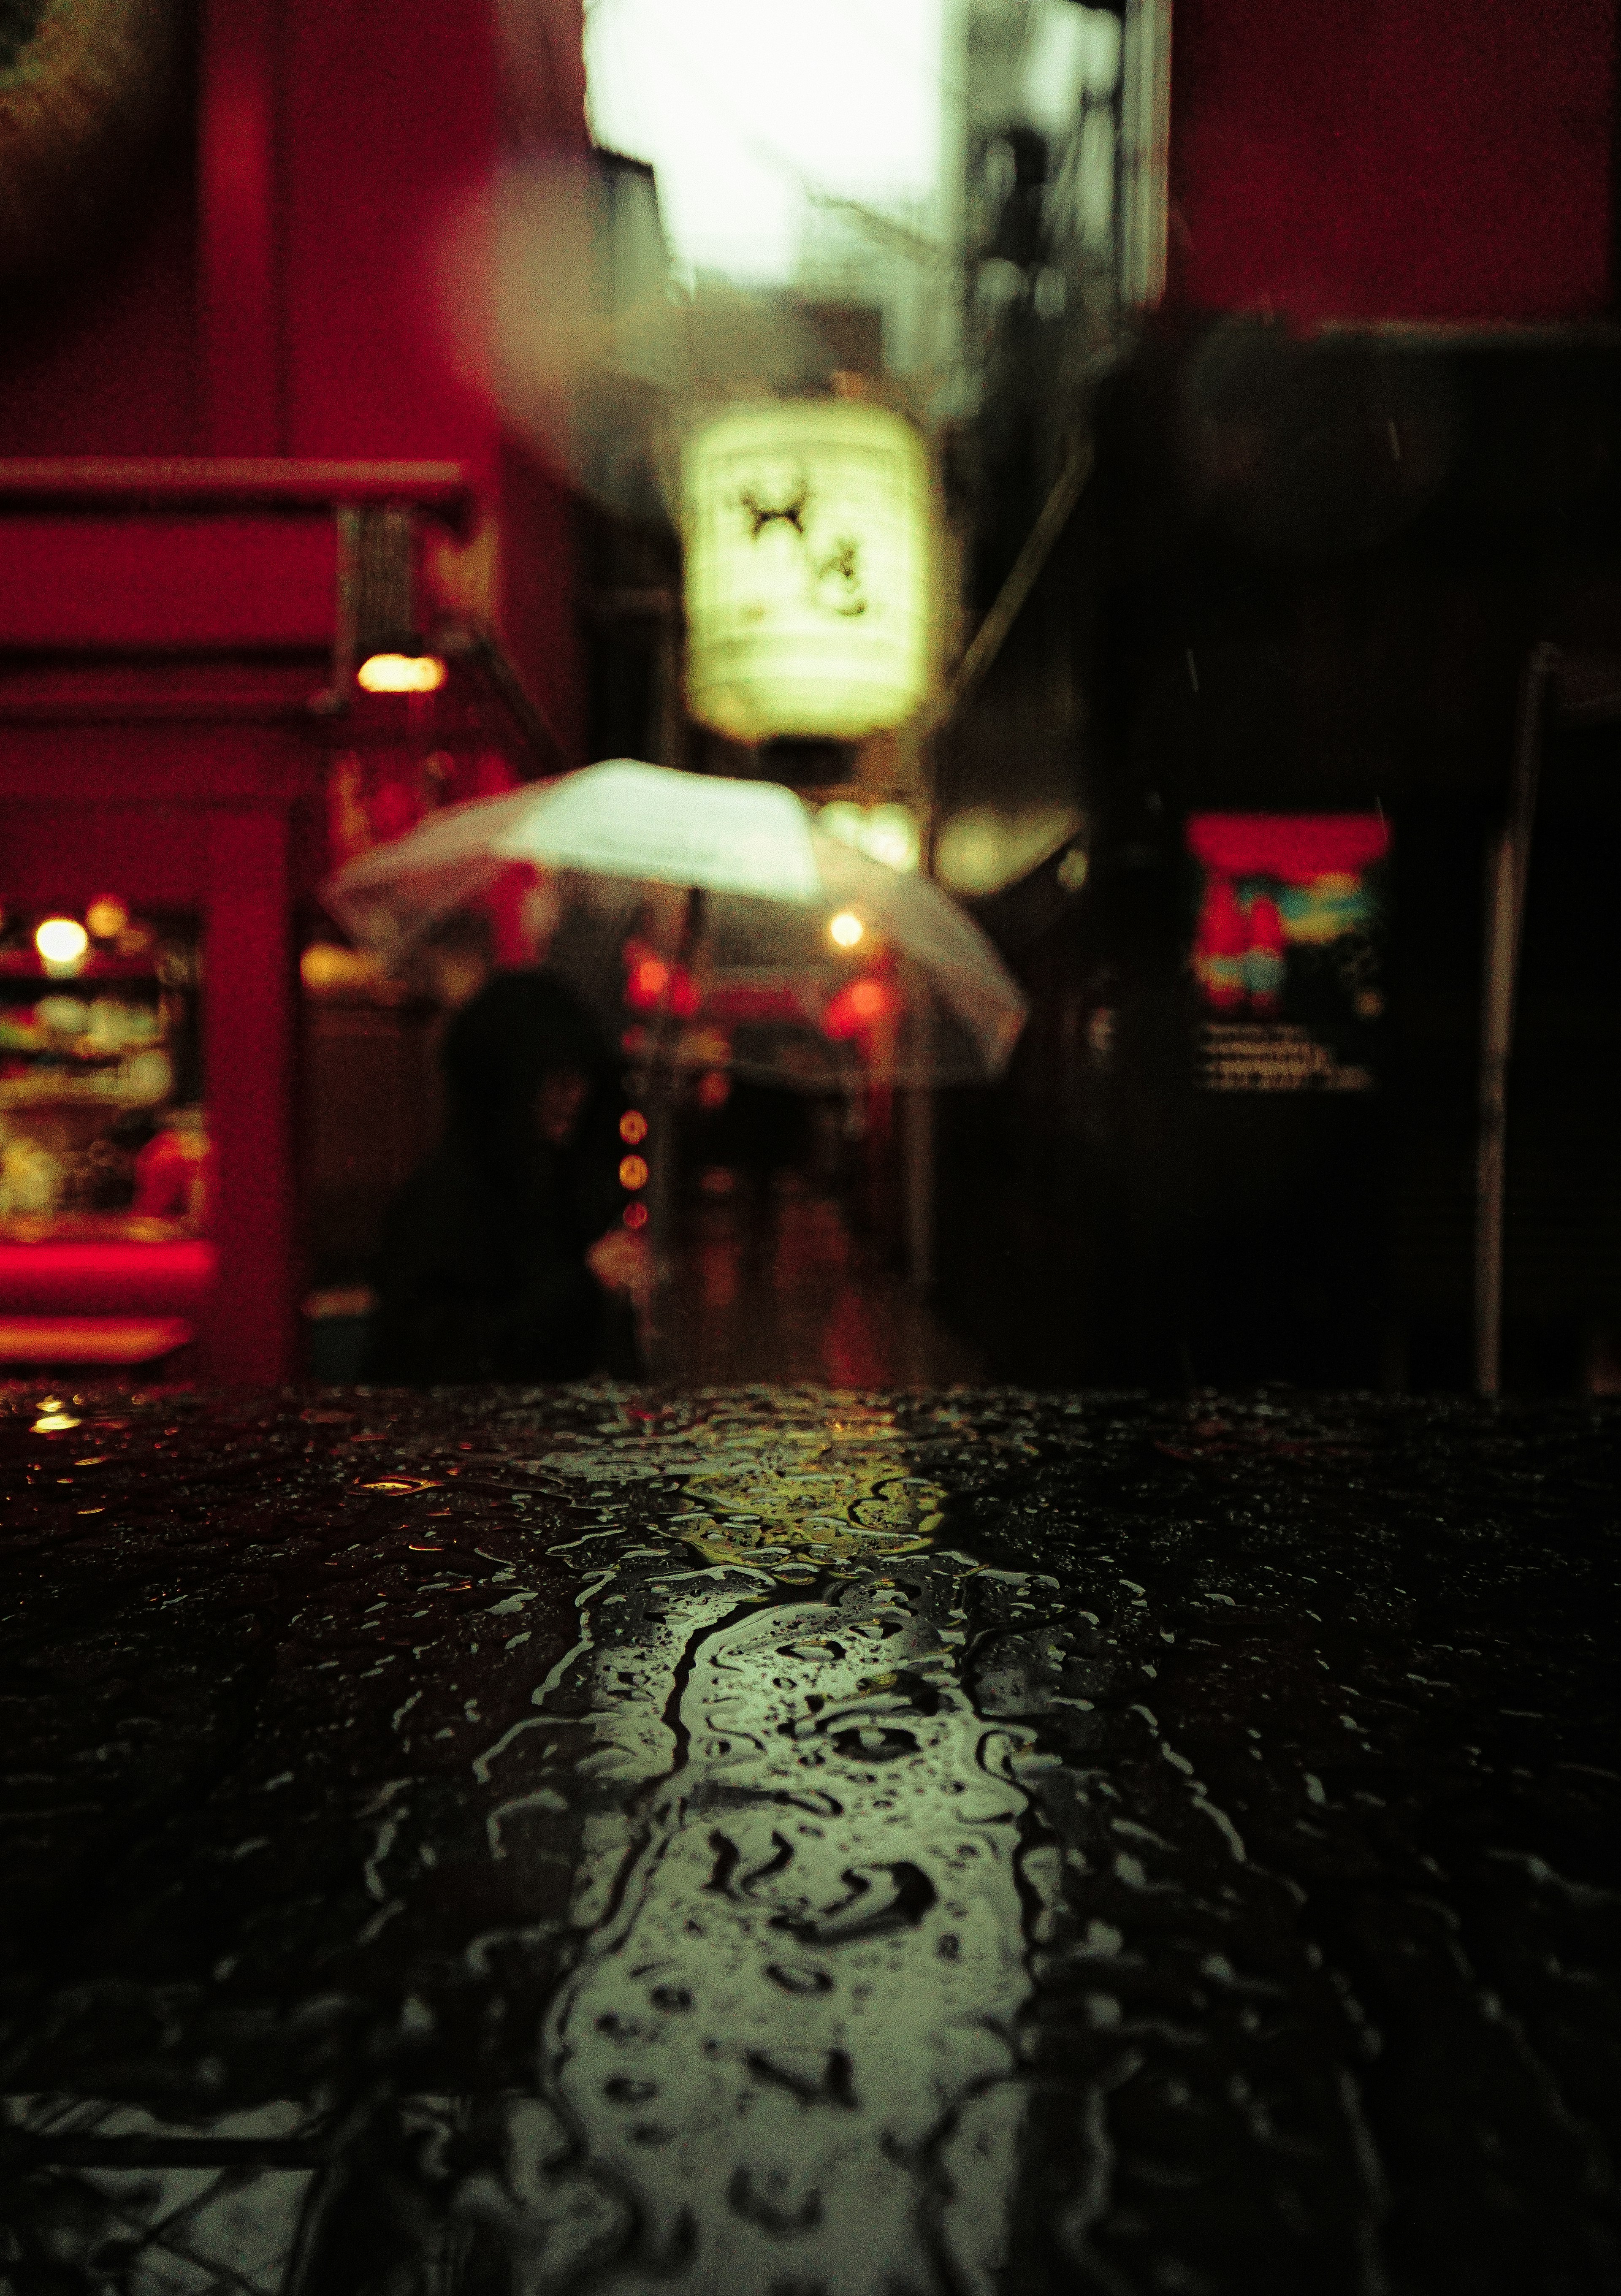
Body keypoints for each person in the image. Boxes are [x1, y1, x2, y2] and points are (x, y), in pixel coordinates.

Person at [367, 970, 646, 1383]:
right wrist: (586, 1284)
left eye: (580, 1078)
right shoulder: (445, 1201)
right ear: (508, 1083)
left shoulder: (564, 1184)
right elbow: (445, 1354)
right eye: (553, 1081)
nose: (573, 1097)